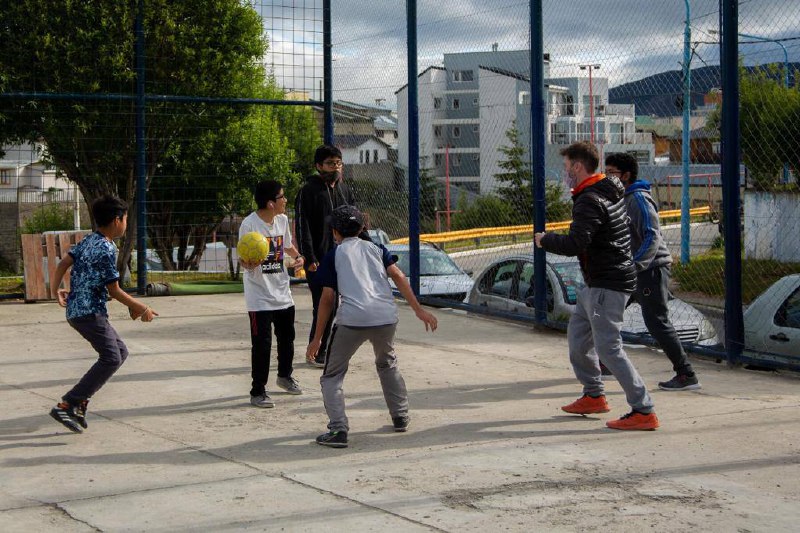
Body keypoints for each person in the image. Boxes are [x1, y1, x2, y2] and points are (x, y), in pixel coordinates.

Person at [534, 141, 659, 431]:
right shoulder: (604, 190)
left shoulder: (590, 199)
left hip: (608, 283)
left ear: (578, 167)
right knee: (578, 337)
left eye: (566, 168)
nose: (564, 173)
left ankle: (643, 409)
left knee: (609, 348)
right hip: (596, 281)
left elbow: (577, 242)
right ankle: (593, 394)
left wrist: (545, 239)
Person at [306, 205, 438, 448]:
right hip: (385, 317)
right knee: (387, 363)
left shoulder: (335, 254)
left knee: (332, 376)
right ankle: (400, 416)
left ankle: (338, 430)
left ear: (335, 232)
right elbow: (398, 275)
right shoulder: (377, 249)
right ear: (363, 228)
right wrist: (419, 309)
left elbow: (327, 299)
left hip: (353, 320)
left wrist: (317, 338)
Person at [49, 195, 158, 434]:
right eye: (126, 219)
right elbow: (114, 289)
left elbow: (62, 264)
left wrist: (54, 290)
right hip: (89, 313)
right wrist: (142, 307)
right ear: (117, 220)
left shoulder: (89, 240)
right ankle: (69, 403)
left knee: (120, 352)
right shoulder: (107, 248)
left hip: (79, 311)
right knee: (110, 357)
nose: (126, 223)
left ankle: (80, 402)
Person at [605, 152, 701, 391]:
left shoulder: (638, 198)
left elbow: (652, 235)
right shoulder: (621, 199)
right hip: (632, 270)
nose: (607, 178)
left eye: (612, 173)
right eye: (605, 173)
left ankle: (686, 374)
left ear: (626, 175)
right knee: (606, 312)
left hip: (650, 269)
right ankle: (605, 361)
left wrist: (636, 264)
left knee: (657, 322)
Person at [240, 180, 306, 408]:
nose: (285, 201)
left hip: (282, 291)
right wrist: (249, 264)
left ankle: (285, 376)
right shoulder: (249, 225)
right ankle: (257, 390)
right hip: (259, 297)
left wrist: (298, 257)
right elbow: (243, 259)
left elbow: (286, 245)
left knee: (287, 338)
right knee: (262, 344)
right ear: (270, 203)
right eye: (282, 197)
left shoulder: (282, 220)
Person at [294, 145, 357, 369]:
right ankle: (317, 351)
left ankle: (327, 349)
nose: (336, 167)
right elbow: (303, 227)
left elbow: (354, 221)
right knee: (323, 303)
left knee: (340, 305)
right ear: (318, 166)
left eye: (338, 163)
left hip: (342, 257)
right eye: (331, 163)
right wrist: (310, 257)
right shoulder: (308, 191)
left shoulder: (344, 190)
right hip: (319, 260)